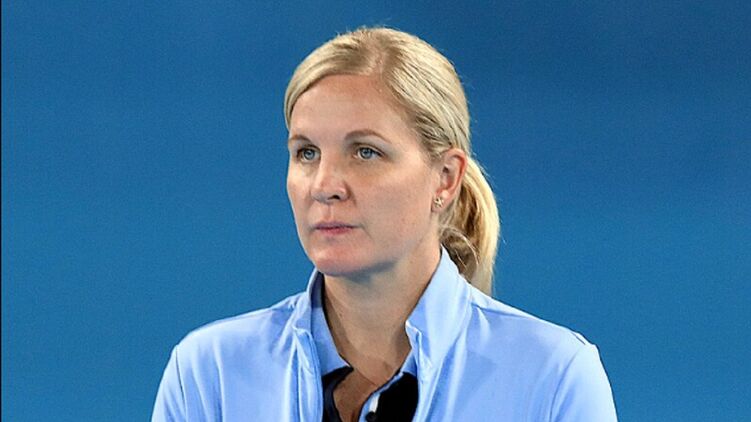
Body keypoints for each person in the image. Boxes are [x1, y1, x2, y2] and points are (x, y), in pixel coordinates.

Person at [152, 27, 617, 421]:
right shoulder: (209, 375)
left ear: (445, 177)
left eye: (365, 152)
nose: (324, 185)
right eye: (306, 152)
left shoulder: (553, 378)